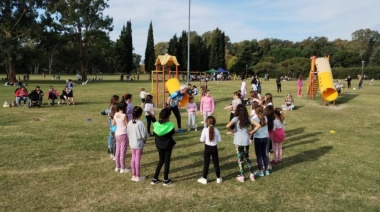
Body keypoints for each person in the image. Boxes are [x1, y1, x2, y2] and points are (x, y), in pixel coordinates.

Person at [226, 104, 255, 182]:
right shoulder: (248, 118)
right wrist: (251, 132)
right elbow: (258, 125)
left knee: (240, 158)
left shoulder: (235, 118)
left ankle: (242, 175)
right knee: (247, 157)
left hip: (238, 140)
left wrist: (232, 131)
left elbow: (227, 126)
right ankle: (251, 174)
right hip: (246, 140)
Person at [151, 108, 176, 186]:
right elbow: (172, 133)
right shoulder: (171, 125)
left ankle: (155, 179)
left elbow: (154, 134)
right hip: (168, 146)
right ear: (168, 117)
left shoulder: (156, 125)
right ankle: (165, 180)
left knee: (161, 160)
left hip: (159, 146)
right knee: (167, 162)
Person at [198, 116, 222, 184]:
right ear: (215, 123)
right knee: (216, 163)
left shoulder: (205, 130)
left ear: (206, 122)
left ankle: (204, 178)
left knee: (206, 164)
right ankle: (218, 178)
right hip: (214, 148)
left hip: (207, 148)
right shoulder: (216, 130)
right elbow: (219, 140)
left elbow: (201, 140)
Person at [127, 106, 148, 182]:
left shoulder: (129, 122)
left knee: (133, 158)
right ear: (140, 114)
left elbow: (128, 133)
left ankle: (133, 175)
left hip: (132, 143)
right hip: (138, 144)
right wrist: (145, 140)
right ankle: (138, 176)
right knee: (137, 159)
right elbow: (144, 135)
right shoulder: (140, 123)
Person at [251, 105, 270, 177]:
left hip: (258, 138)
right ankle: (267, 170)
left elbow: (253, 128)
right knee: (264, 154)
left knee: (259, 155)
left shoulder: (254, 118)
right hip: (265, 137)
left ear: (255, 111)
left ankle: (261, 171)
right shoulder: (265, 117)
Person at [112, 102, 130, 174]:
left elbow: (113, 123)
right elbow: (127, 124)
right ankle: (123, 168)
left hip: (117, 134)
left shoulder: (116, 114)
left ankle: (117, 166)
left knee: (118, 150)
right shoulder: (124, 115)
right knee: (123, 151)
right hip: (123, 134)